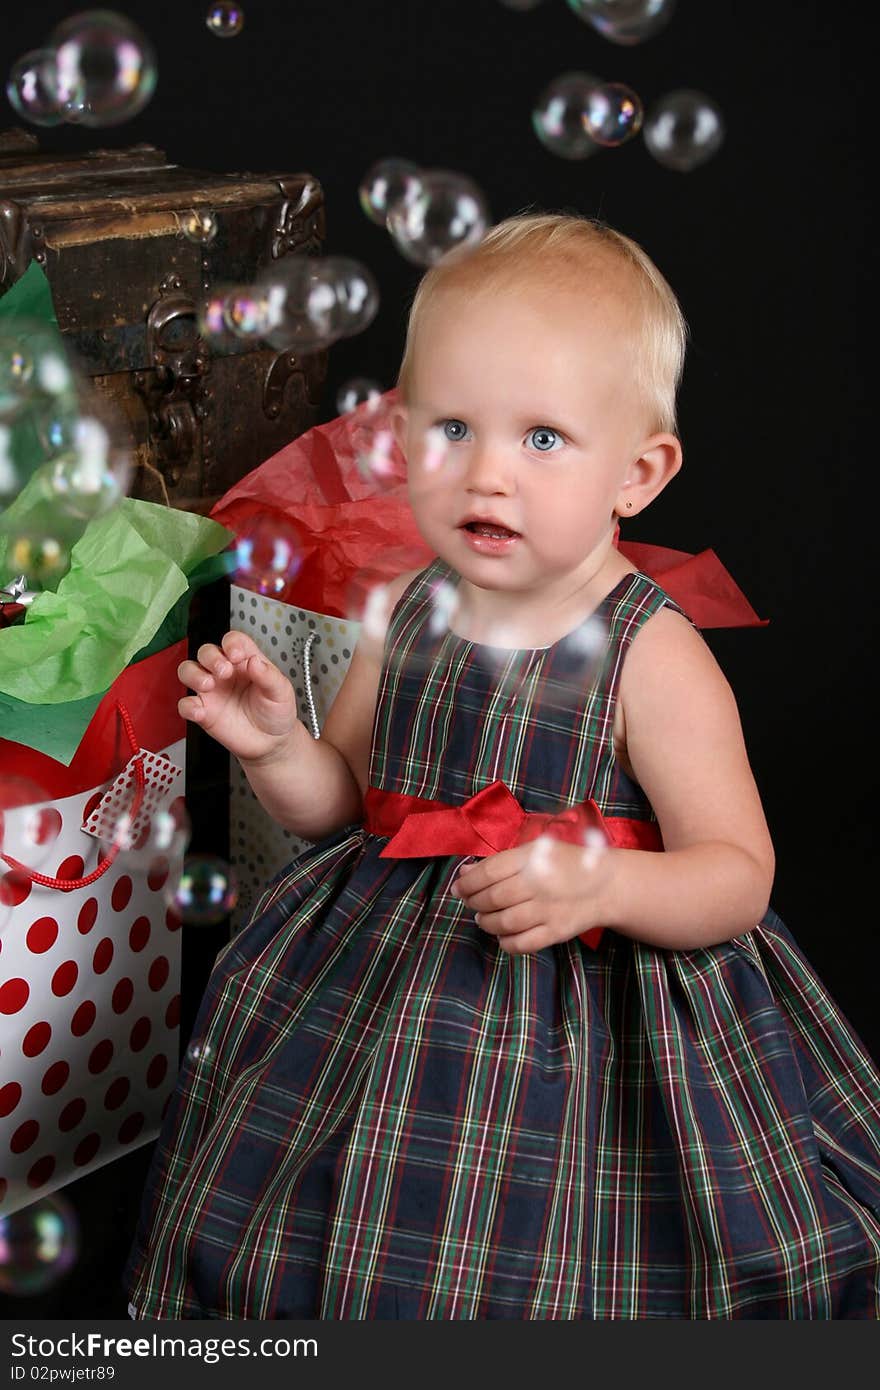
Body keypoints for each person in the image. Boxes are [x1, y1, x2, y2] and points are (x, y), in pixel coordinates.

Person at [124, 213, 880, 1320]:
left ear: (639, 471)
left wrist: (608, 882)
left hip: (590, 1017)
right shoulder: (409, 608)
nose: (486, 474)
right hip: (379, 980)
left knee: (558, 1244)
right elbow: (344, 805)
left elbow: (737, 875)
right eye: (451, 430)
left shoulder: (650, 654)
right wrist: (282, 747)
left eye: (541, 439)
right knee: (319, 1201)